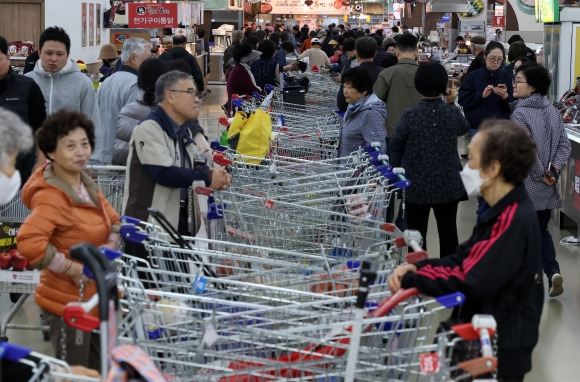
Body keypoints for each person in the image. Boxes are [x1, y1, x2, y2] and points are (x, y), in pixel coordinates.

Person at [388, 119, 544, 381]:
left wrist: (414, 279)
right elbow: (465, 257)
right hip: (488, 332)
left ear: (493, 168)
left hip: (500, 344)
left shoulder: (512, 218)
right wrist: (420, 267)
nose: (466, 167)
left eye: (471, 160)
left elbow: (472, 279)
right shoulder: (499, 210)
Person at [17, 110, 121, 369]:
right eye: (70, 146)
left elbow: (113, 218)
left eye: (84, 144)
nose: (80, 152)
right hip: (67, 304)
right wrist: (72, 268)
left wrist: (111, 243)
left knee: (99, 370)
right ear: (51, 153)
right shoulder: (52, 195)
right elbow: (29, 241)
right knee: (74, 373)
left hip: (93, 296)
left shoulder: (84, 183)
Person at [123, 70, 231, 237]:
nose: (197, 99)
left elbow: (196, 161)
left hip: (176, 228)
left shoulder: (182, 130)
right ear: (170, 96)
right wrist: (208, 178)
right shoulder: (149, 128)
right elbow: (163, 172)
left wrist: (215, 174)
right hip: (148, 232)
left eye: (197, 94)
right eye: (190, 93)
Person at [389, 62, 469, 257]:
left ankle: (419, 276)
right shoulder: (451, 113)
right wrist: (450, 102)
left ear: (419, 85)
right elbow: (464, 128)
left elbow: (396, 144)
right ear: (444, 85)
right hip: (448, 183)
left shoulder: (410, 115)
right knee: (449, 232)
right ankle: (448, 277)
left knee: (417, 235)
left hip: (417, 183)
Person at [511, 64, 571, 297]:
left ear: (532, 87)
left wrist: (538, 175)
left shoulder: (520, 113)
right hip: (548, 186)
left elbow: (526, 151)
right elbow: (564, 145)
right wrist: (553, 172)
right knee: (541, 230)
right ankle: (552, 270)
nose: (514, 85)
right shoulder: (553, 111)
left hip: (525, 184)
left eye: (518, 81)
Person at [26, 26, 100, 139]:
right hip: (34, 154)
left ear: (68, 54)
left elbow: (93, 124)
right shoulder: (27, 82)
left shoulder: (83, 83)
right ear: (39, 52)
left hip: (72, 153)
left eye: (59, 54)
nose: (54, 58)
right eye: (49, 53)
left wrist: (93, 157)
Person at [94, 38, 150, 164]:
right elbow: (132, 126)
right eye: (147, 58)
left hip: (103, 153)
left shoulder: (107, 81)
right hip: (123, 157)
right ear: (134, 58)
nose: (149, 63)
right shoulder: (135, 84)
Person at [0, 36, 46, 184]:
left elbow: (40, 127)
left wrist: (41, 161)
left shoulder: (27, 87)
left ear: (8, 57)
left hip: (20, 173)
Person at [113, 58, 170, 165]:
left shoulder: (126, 111)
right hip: (152, 178)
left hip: (125, 176)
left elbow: (118, 152)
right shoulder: (168, 114)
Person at [373, 33, 423, 151]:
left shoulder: (387, 73)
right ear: (416, 52)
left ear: (396, 52)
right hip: (421, 131)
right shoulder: (426, 74)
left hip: (392, 131)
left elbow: (374, 102)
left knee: (393, 167)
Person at [458, 41, 513, 139]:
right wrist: (481, 96)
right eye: (492, 58)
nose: (495, 62)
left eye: (499, 59)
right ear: (485, 56)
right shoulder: (473, 76)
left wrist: (505, 97)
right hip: (477, 128)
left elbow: (514, 105)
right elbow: (463, 99)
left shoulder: (507, 78)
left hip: (501, 129)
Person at [337, 67, 386, 157]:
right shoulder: (353, 106)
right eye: (344, 87)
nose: (345, 91)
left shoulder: (371, 113)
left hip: (357, 170)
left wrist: (361, 169)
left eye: (349, 87)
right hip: (347, 168)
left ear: (364, 91)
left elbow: (378, 150)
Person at [337, 37, 383, 112]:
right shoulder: (385, 72)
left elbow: (341, 103)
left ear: (357, 54)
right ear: (375, 53)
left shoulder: (350, 74)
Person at [226, 44, 264, 112]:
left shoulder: (238, 68)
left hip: (240, 107)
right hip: (240, 111)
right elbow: (251, 88)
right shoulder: (240, 71)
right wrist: (265, 96)